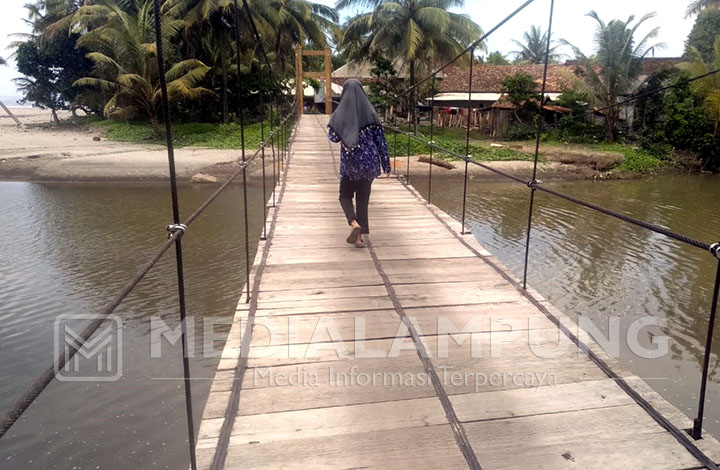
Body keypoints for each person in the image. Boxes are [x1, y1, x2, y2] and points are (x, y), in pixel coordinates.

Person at [327, 79, 391, 248]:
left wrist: (342, 125)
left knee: (345, 196)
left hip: (351, 163)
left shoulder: (341, 113)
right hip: (369, 163)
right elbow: (381, 141)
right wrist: (386, 164)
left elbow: (333, 138)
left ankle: (354, 223)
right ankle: (359, 238)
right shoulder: (371, 113)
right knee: (362, 199)